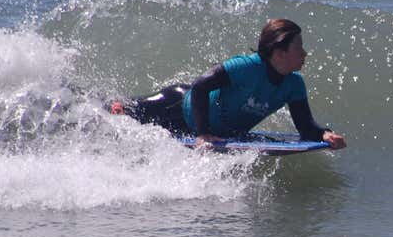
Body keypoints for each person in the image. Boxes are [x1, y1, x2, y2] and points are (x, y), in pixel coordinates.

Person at [108, 19, 347, 149]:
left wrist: (324, 134)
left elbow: (305, 126)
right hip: (178, 106)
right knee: (123, 113)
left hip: (212, 129)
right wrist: (203, 134)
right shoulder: (246, 67)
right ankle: (112, 105)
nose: (305, 53)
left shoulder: (294, 85)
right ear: (279, 51)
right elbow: (201, 86)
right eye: (298, 47)